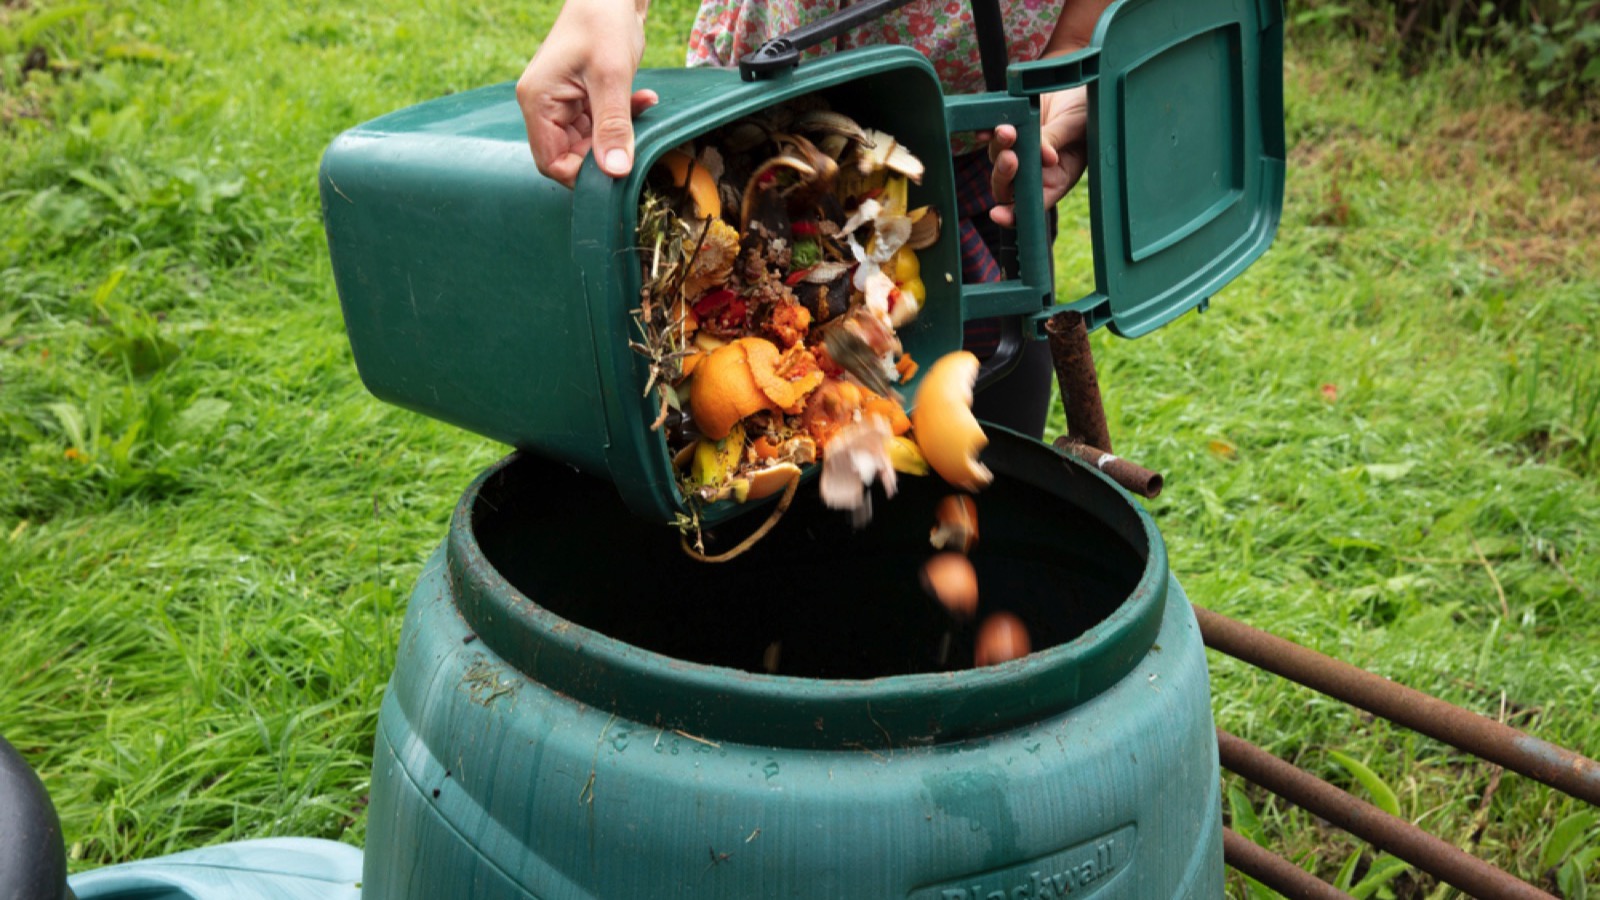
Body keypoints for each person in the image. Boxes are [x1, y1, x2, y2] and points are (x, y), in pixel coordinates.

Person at [515, 0, 1110, 439]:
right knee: (737, 421)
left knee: (990, 434)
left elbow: (1082, 29)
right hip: (754, 144)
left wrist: (1069, 65)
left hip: (980, 170)